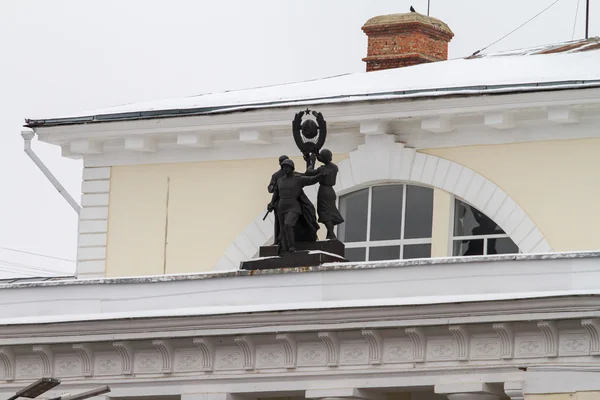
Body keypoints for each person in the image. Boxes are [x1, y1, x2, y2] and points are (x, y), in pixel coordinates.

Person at [268, 159, 322, 254]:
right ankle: (285, 247)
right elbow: (276, 193)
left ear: (292, 168)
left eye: (287, 167)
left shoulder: (298, 179)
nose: (285, 169)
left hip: (293, 206)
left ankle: (292, 246)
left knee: (288, 224)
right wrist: (271, 203)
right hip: (281, 207)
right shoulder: (280, 180)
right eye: (284, 167)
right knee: (283, 229)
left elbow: (311, 180)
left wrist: (321, 175)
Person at [305, 149, 344, 239]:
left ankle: (331, 233)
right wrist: (317, 154)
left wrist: (312, 161)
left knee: (324, 212)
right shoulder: (334, 167)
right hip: (331, 191)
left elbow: (308, 173)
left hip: (324, 191)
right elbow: (324, 160)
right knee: (330, 212)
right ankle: (330, 233)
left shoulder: (322, 169)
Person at [267, 155, 289, 245]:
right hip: (279, 201)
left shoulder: (292, 173)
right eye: (283, 162)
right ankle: (277, 240)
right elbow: (270, 188)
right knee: (278, 222)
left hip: (290, 200)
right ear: (280, 164)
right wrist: (274, 187)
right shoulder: (276, 175)